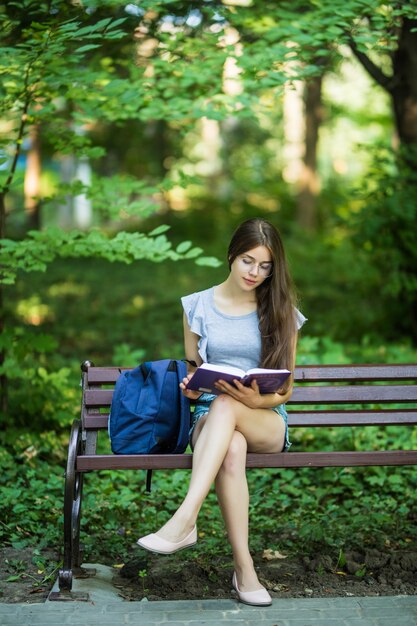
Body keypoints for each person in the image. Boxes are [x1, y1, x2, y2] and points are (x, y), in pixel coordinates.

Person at [138, 217, 306, 606]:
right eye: (248, 261)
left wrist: (253, 400)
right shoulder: (196, 305)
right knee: (229, 446)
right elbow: (194, 367)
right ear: (232, 255)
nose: (255, 272)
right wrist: (192, 384)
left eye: (265, 266)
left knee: (230, 404)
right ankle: (245, 571)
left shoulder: (281, 308)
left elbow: (285, 389)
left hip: (264, 417)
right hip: (210, 419)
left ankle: (185, 518)